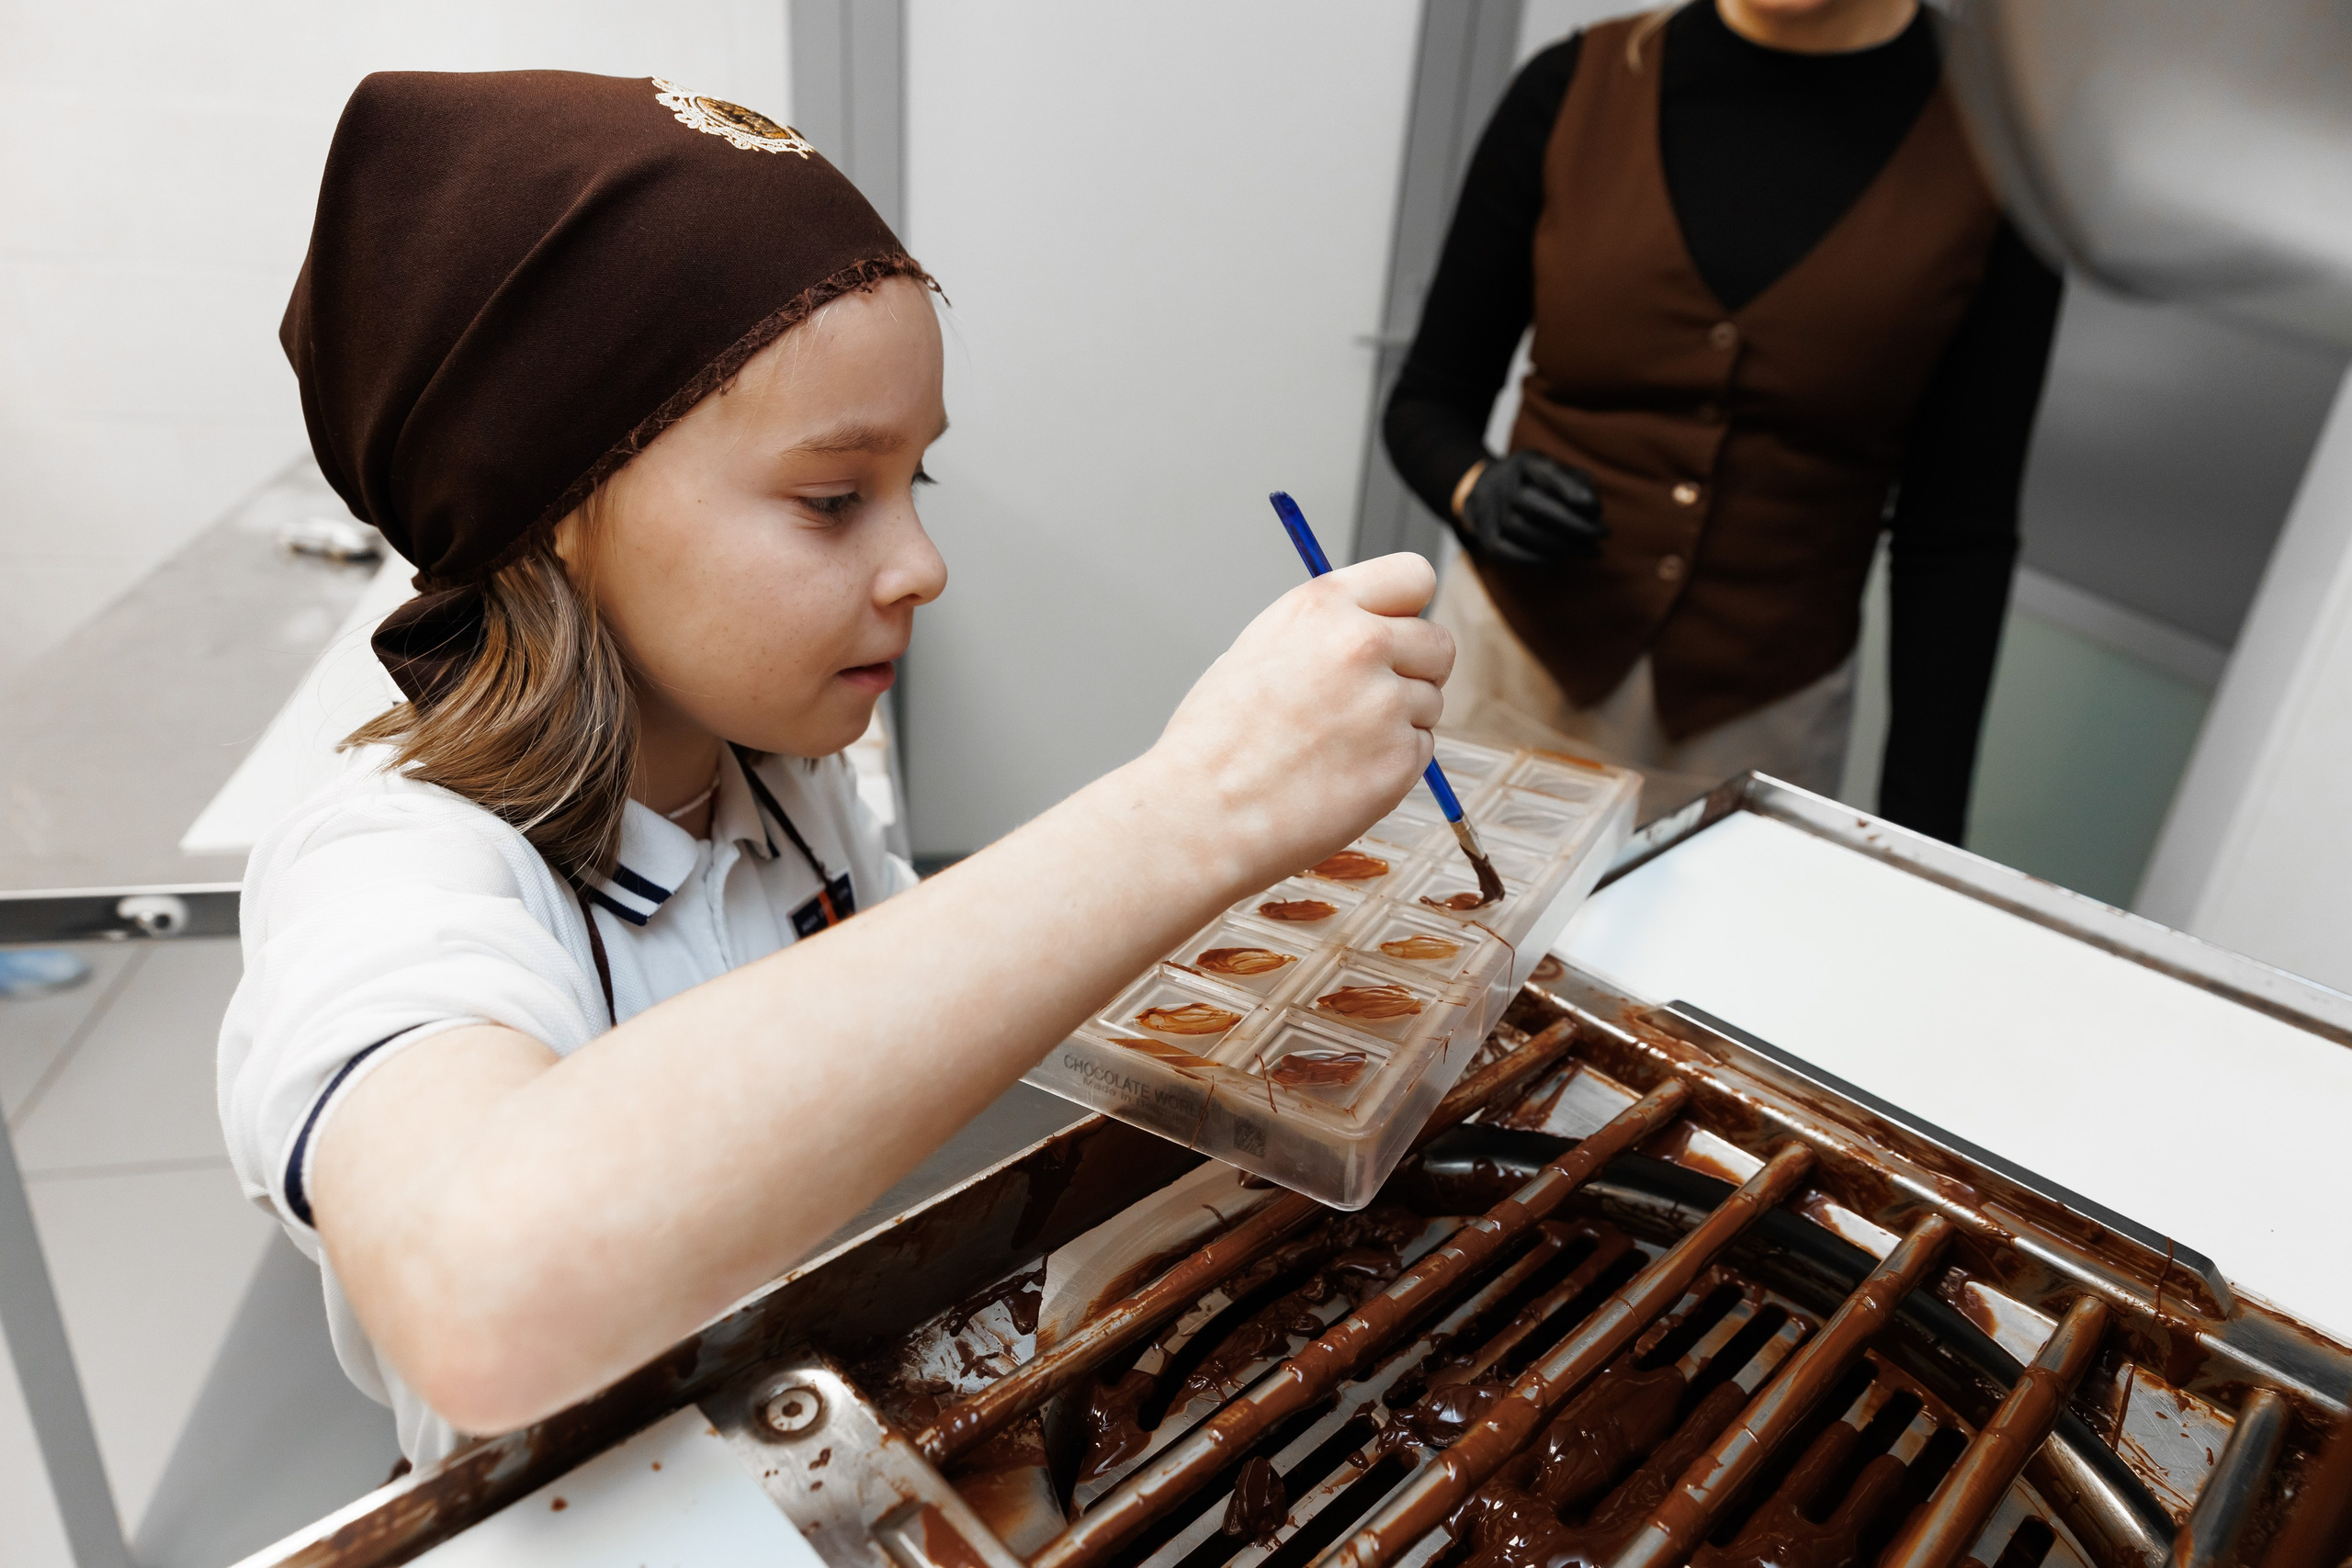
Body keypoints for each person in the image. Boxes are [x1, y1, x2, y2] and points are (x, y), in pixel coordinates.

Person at [219, 70, 1451, 1465]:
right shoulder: (390, 870)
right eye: (830, 499)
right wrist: (1203, 802)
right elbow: (481, 1289)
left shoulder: (787, 785)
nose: (920, 564)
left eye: (915, 481)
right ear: (556, 505)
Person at [1383, 0, 2064, 840]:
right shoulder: (1573, 88)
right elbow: (1426, 400)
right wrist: (1476, 486)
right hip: (1509, 682)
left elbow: (1957, 536)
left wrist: (1920, 845)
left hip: (1761, 730)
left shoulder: (2001, 150)